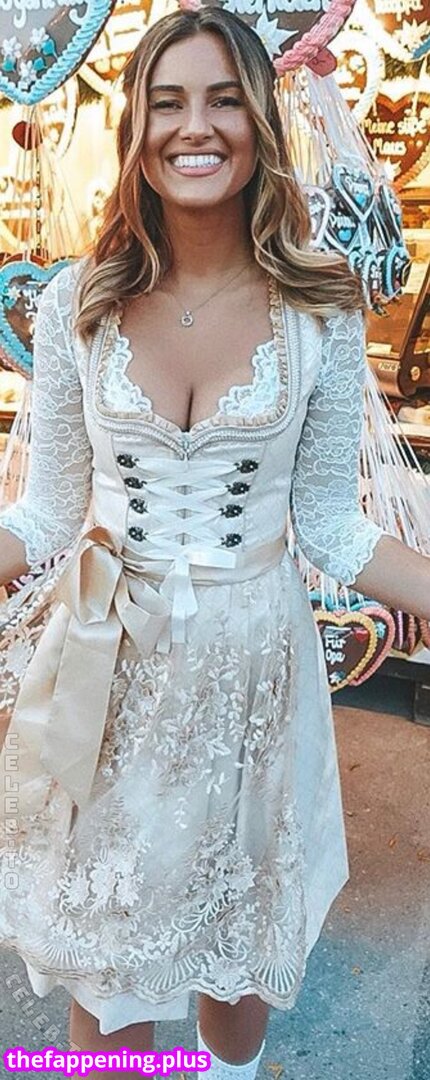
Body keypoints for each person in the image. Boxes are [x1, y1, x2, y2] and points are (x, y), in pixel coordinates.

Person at [0, 8, 429, 1079]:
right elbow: (44, 516)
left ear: (260, 122)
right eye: (169, 102)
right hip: (109, 676)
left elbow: (333, 527)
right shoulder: (78, 302)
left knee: (233, 976)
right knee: (107, 973)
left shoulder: (319, 311)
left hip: (253, 679)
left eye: (224, 99)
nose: (196, 126)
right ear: (137, 130)